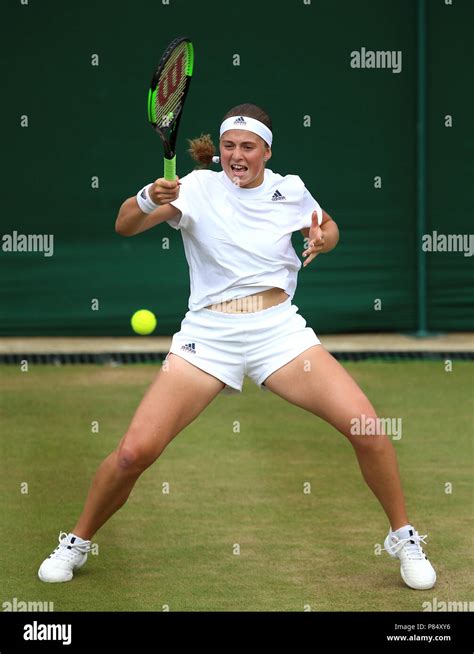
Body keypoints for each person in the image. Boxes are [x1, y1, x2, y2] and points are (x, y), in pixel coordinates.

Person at [38, 103, 436, 591]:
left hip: (279, 333)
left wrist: (321, 239)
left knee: (368, 428)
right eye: (229, 146)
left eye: (248, 147)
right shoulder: (196, 188)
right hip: (208, 337)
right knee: (132, 454)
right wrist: (146, 197)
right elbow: (125, 224)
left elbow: (327, 226)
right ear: (220, 150)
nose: (236, 155)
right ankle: (77, 541)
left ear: (267, 151)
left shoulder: (289, 189)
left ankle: (404, 538)